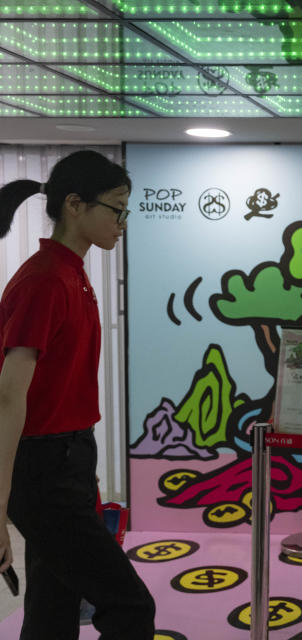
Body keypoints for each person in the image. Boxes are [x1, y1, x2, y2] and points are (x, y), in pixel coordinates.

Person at [0, 150, 156, 639]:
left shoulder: (71, 272)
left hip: (68, 458)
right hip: (42, 467)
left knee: (53, 605)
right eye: (116, 208)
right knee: (129, 604)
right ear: (74, 204)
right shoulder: (44, 280)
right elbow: (8, 399)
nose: (122, 222)